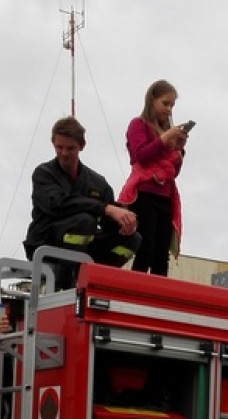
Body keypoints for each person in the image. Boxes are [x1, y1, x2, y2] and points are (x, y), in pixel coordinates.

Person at [24, 115, 140, 285]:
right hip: (46, 243)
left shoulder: (98, 183)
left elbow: (108, 221)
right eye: (59, 147)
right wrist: (105, 209)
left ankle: (99, 280)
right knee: (84, 222)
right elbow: (58, 204)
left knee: (134, 238)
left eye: (70, 148)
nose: (64, 153)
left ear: (81, 146)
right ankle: (68, 281)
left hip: (87, 247)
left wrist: (126, 222)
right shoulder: (44, 174)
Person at [118, 79, 189, 277]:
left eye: (172, 105)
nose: (169, 109)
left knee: (161, 253)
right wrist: (165, 139)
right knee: (145, 248)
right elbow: (141, 155)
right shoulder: (138, 125)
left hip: (165, 196)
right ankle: (137, 291)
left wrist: (179, 148)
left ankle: (159, 295)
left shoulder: (167, 132)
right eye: (165, 103)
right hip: (144, 193)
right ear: (152, 100)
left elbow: (173, 172)